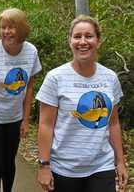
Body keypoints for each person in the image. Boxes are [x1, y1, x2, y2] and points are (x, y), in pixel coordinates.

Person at [36, 15, 128, 192]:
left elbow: (114, 123)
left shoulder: (110, 78)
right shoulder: (55, 78)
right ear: (70, 41)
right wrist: (44, 166)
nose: (83, 41)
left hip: (102, 166)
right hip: (64, 169)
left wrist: (120, 162)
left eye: (89, 36)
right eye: (77, 36)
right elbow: (46, 125)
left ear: (98, 41)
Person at [0, 8, 41, 192]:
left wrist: (26, 121)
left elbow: (29, 88)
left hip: (14, 117)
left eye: (11, 27)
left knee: (9, 163)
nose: (6, 32)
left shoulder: (31, 52)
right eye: (2, 27)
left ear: (21, 29)